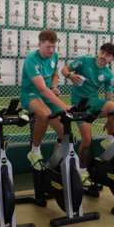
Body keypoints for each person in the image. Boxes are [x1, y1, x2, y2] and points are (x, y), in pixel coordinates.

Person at [60, 43, 114, 185]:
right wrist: (70, 76)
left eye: (108, 55)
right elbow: (64, 69)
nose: (104, 57)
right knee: (87, 141)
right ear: (99, 52)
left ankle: (109, 139)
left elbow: (109, 97)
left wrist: (110, 119)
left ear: (112, 59)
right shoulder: (84, 61)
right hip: (80, 106)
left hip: (94, 102)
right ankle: (82, 171)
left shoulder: (108, 75)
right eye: (103, 52)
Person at [20, 29, 70, 170]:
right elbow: (41, 89)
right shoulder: (31, 60)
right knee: (44, 114)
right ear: (39, 44)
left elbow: (54, 74)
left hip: (47, 95)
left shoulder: (53, 56)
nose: (51, 50)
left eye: (54, 47)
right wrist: (63, 105)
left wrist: (54, 87)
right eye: (48, 47)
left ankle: (54, 167)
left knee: (65, 133)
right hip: (30, 95)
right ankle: (35, 151)